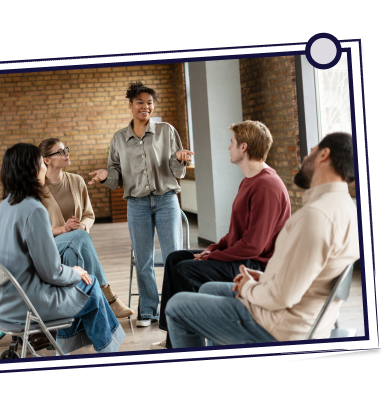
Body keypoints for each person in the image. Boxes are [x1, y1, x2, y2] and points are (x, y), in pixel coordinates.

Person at [165, 132, 359, 347]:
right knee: (208, 289)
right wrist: (259, 278)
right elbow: (305, 276)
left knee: (177, 306)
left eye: (311, 151)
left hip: (280, 326)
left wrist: (249, 286)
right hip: (298, 313)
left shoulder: (317, 216)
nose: (305, 157)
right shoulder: (343, 208)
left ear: (324, 154)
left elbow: (283, 297)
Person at [152, 120, 291, 349]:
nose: (229, 147)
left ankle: (189, 342)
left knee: (184, 270)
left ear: (244, 147)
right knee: (175, 258)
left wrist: (212, 257)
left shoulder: (267, 186)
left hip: (255, 265)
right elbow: (236, 234)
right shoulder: (249, 181)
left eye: (232, 142)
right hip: (244, 256)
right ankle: (173, 339)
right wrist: (212, 249)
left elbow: (252, 246)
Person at [0, 143, 125, 354]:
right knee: (90, 285)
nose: (44, 168)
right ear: (32, 169)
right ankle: (108, 350)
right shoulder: (34, 209)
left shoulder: (5, 204)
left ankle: (73, 346)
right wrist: (75, 272)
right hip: (29, 303)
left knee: (81, 271)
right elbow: (51, 271)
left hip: (3, 302)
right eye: (40, 164)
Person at [88, 81, 194, 327]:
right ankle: (148, 310)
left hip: (167, 200)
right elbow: (116, 177)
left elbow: (179, 171)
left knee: (173, 257)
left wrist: (180, 159)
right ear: (131, 105)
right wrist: (106, 175)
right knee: (143, 258)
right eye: (140, 102)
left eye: (150, 103)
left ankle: (175, 309)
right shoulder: (119, 139)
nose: (145, 107)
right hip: (136, 204)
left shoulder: (167, 131)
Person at [38, 138, 133, 318]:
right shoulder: (38, 189)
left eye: (65, 149)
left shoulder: (77, 181)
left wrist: (83, 225)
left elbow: (89, 215)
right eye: (60, 152)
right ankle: (107, 297)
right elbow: (37, 233)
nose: (66, 153)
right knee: (79, 238)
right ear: (46, 160)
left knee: (73, 252)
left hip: (76, 243)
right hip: (51, 245)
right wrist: (64, 229)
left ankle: (77, 313)